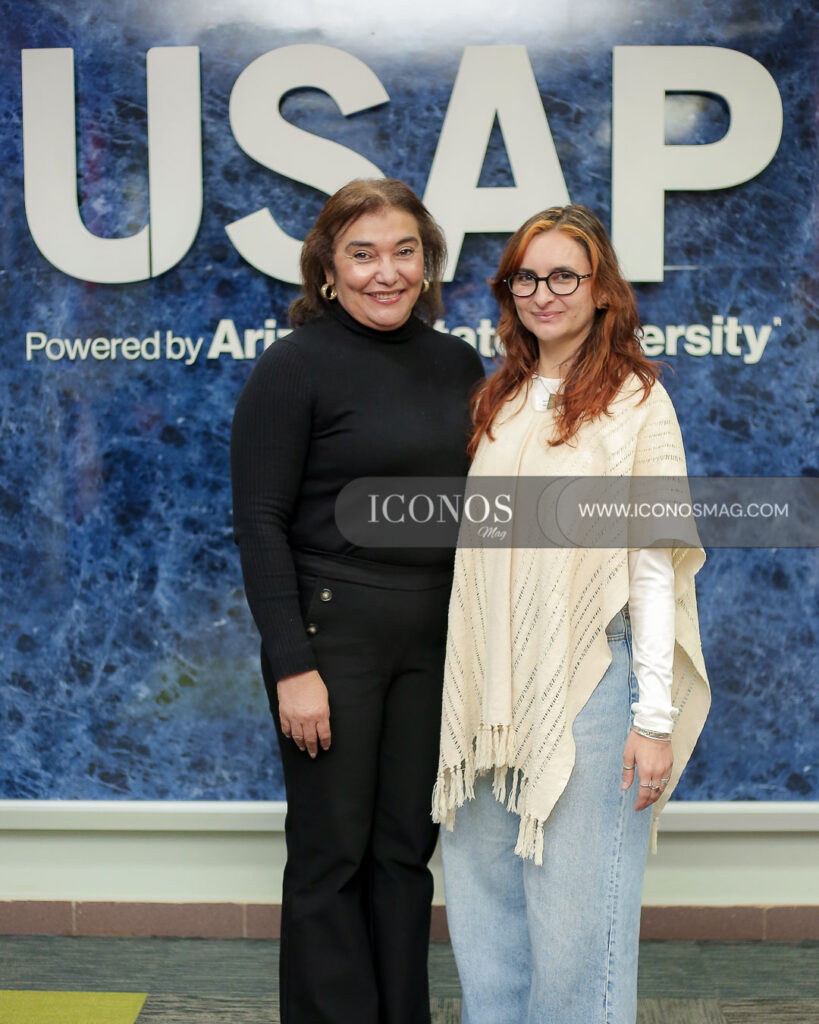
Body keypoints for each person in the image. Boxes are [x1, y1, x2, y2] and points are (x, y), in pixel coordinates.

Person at [432, 205, 710, 1024]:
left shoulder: (635, 402)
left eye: (564, 276)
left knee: (577, 930)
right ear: (507, 288)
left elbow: (653, 565)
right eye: (526, 276)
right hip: (490, 697)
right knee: (487, 920)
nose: (543, 292)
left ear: (601, 291)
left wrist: (651, 719)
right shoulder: (502, 395)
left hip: (593, 685)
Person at [231, 178, 485, 1024]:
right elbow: (260, 524)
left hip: (433, 638)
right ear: (328, 269)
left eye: (404, 251)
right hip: (329, 640)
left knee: (406, 853)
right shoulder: (293, 364)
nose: (387, 271)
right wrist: (293, 668)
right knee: (330, 856)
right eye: (363, 253)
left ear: (428, 262)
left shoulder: (457, 363)